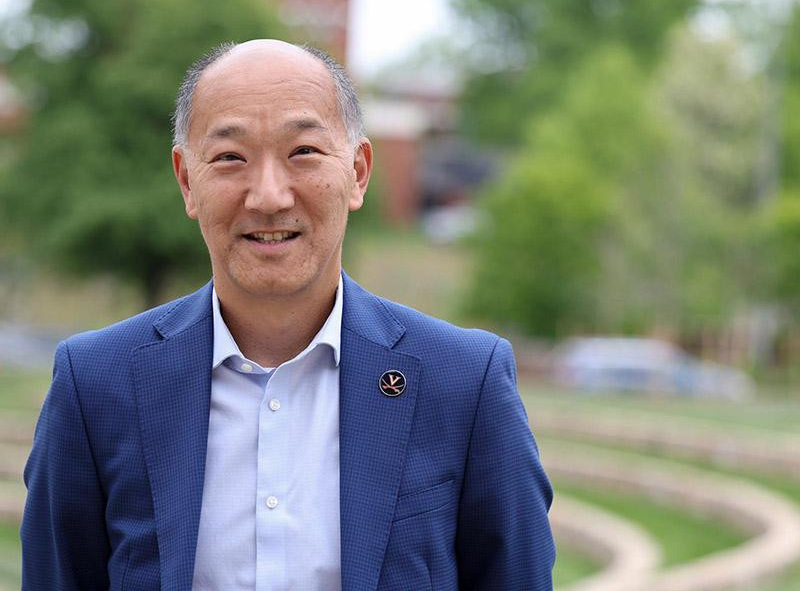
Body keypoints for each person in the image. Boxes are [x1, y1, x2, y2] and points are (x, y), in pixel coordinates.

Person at [21, 39, 555, 590]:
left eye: (303, 152)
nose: (269, 196)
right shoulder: (96, 384)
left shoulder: (464, 382)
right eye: (231, 157)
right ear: (187, 181)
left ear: (359, 172)